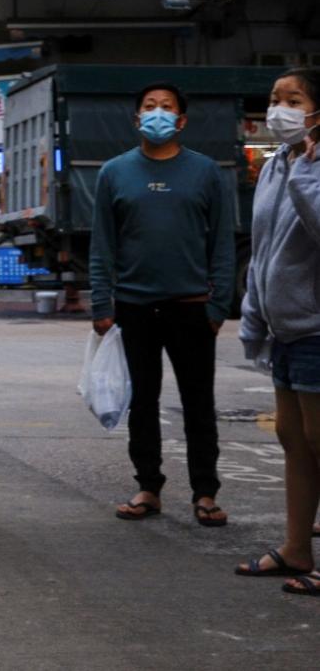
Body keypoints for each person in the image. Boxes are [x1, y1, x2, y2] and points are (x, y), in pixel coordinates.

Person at [90, 81, 235, 527]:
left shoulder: (206, 172)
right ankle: (148, 486)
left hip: (192, 307)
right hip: (134, 306)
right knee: (143, 402)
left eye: (166, 107)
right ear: (137, 119)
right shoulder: (114, 173)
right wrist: (101, 302)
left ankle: (205, 492)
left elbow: (223, 245)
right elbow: (103, 246)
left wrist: (217, 308)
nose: (158, 113)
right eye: (149, 107)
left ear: (182, 120)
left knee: (198, 403)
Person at [236, 68, 320, 593]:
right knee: (294, 439)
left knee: (319, 439)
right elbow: (263, 245)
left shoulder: (309, 168)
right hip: (284, 325)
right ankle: (295, 547)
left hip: (316, 324)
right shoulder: (276, 165)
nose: (280, 108)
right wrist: (253, 311)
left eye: (294, 99)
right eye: (274, 98)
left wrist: (306, 178)